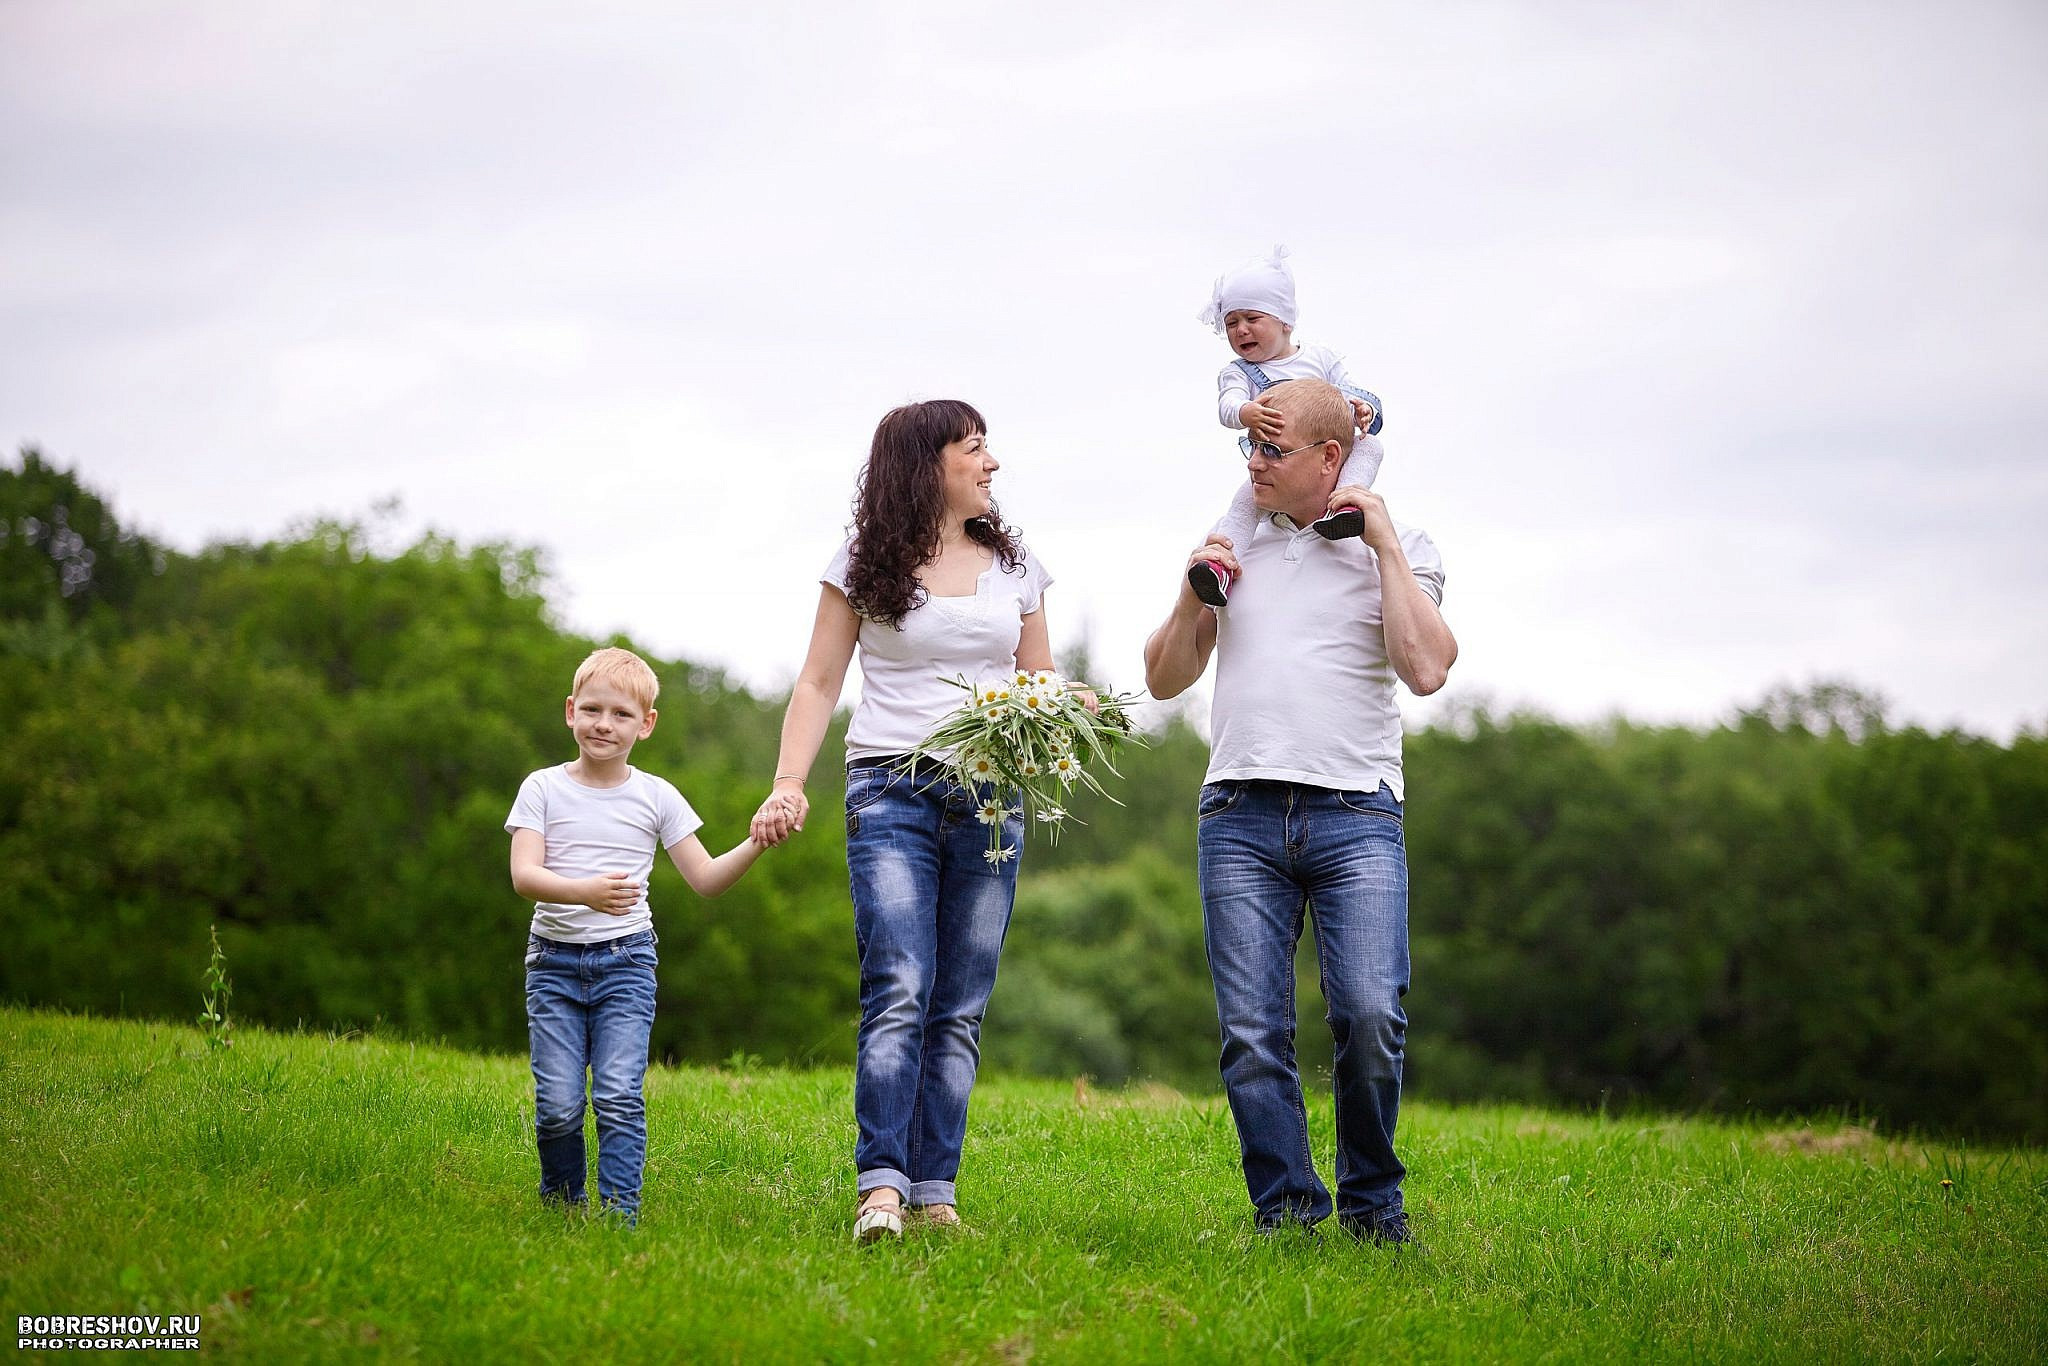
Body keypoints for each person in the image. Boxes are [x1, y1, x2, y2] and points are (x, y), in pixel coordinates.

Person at [1142, 378, 1457, 1242]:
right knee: (1252, 1032)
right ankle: (1285, 1212)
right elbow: (1164, 679)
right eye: (1249, 446)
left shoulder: (1404, 546)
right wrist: (1192, 593)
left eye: (1272, 450)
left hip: (1357, 815)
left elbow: (1427, 669)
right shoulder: (1236, 544)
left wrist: (1383, 545)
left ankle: (1372, 1205)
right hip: (1237, 813)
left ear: (1330, 458)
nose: (1254, 464)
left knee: (1369, 1014)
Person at [749, 399, 1062, 1244]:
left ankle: (934, 1192)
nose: (992, 463)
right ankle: (880, 1188)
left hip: (990, 796)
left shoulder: (1017, 566)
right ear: (928, 465)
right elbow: (818, 681)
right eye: (975, 448)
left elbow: (1038, 679)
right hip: (890, 788)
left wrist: (1062, 715)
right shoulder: (862, 562)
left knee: (959, 1003)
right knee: (900, 985)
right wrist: (789, 782)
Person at [506, 646, 771, 1222]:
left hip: (626, 964)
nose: (604, 724)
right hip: (552, 964)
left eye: (621, 714)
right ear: (570, 711)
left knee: (617, 1095)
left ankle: (618, 1216)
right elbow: (524, 875)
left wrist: (756, 842)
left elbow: (705, 879)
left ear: (645, 724)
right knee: (558, 1104)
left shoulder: (657, 796)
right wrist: (585, 892)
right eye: (592, 710)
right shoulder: (542, 788)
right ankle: (563, 1206)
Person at [1190, 244, 1389, 606]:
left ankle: (1346, 503)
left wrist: (1363, 410)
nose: (1241, 330)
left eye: (1252, 318)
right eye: (1231, 323)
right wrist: (1246, 412)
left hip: (1324, 453)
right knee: (1245, 503)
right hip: (1277, 465)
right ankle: (1221, 564)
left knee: (1370, 446)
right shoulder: (1240, 373)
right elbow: (1227, 406)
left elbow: (1350, 392)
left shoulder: (1320, 358)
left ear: (1284, 321)